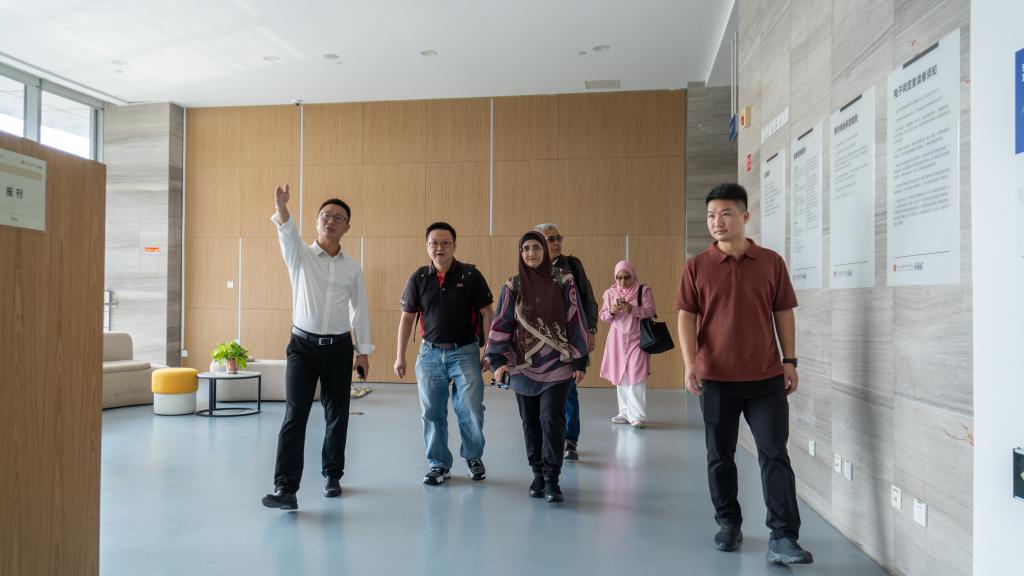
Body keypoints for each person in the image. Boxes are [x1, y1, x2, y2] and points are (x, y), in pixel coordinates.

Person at [675, 183, 812, 565]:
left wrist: (790, 360)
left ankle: (783, 536)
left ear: (745, 216)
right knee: (720, 455)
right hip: (716, 378)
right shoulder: (697, 267)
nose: (717, 222)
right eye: (711, 216)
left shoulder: (770, 262)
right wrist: (690, 363)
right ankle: (728, 522)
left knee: (774, 454)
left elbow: (783, 311)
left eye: (725, 214)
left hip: (766, 379)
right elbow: (686, 316)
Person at [262, 184, 373, 511]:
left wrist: (363, 351)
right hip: (302, 347)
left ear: (347, 227)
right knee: (295, 415)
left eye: (338, 217)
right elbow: (286, 232)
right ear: (317, 222)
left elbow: (359, 309)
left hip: (339, 348)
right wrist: (282, 207)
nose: (331, 221)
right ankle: (286, 488)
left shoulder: (353, 267)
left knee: (337, 414)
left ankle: (332, 475)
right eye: (325, 215)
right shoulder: (300, 255)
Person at [486, 231, 589, 503]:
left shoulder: (563, 281)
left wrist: (579, 359)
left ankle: (552, 478)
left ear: (545, 251)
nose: (531, 253)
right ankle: (538, 473)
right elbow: (502, 322)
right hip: (522, 367)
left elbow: (575, 319)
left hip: (558, 366)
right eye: (526, 249)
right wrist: (497, 361)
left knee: (551, 419)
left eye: (536, 248)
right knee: (530, 423)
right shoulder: (513, 285)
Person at [395, 222, 494, 486]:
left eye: (445, 243)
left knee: (471, 407)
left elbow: (487, 312)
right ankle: (438, 464)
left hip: (465, 352)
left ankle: (473, 457)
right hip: (429, 355)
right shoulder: (418, 278)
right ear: (427, 246)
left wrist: (489, 350)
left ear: (454, 246)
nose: (439, 247)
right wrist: (400, 356)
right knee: (431, 412)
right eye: (434, 243)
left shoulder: (470, 275)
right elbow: (407, 318)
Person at [534, 223, 598, 462]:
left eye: (558, 238)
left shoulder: (572, 265)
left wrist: (590, 330)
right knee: (540, 391)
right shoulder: (531, 265)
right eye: (550, 239)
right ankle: (547, 437)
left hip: (569, 337)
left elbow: (588, 298)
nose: (556, 242)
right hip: (539, 341)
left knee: (569, 389)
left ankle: (570, 440)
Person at [599, 261, 656, 428]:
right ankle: (624, 413)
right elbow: (603, 317)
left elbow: (650, 311)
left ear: (633, 275)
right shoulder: (610, 293)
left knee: (637, 376)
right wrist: (611, 311)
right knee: (621, 375)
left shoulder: (643, 290)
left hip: (638, 339)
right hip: (616, 340)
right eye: (619, 278)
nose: (622, 281)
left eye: (626, 277)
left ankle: (637, 415)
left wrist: (631, 308)